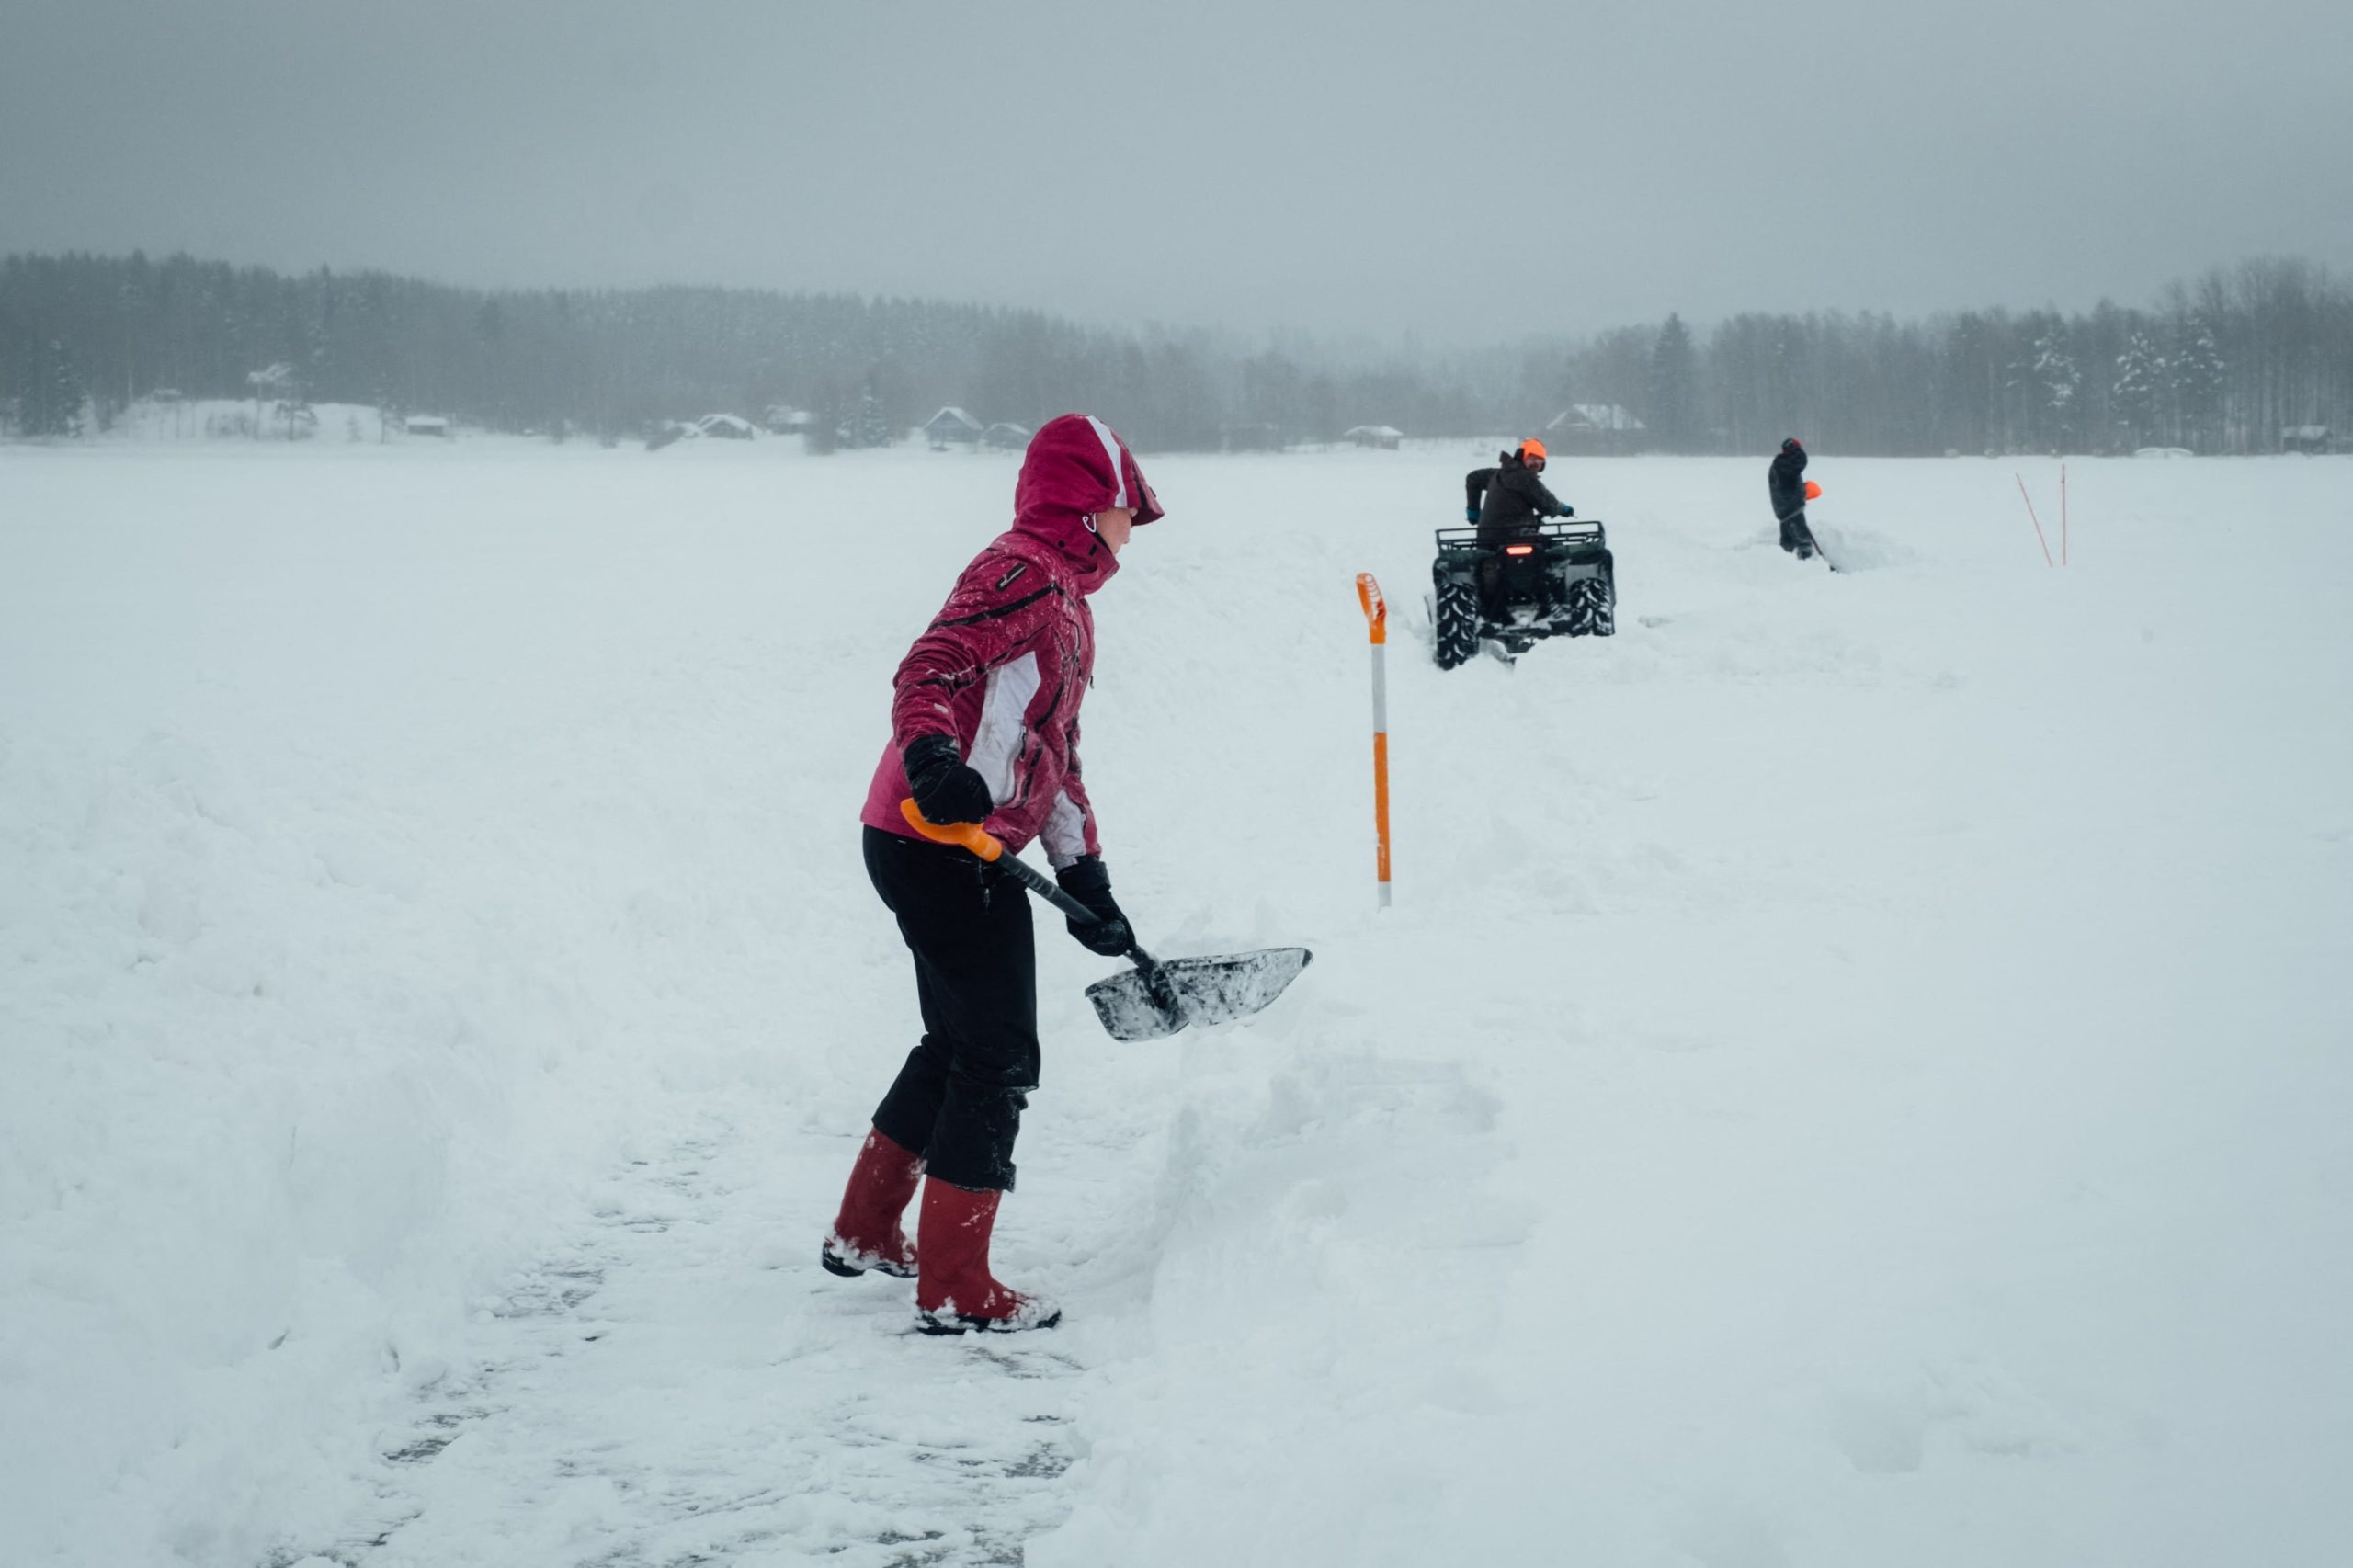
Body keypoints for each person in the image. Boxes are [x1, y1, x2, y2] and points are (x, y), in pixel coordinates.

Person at [824, 413, 1162, 1335]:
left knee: (958, 1040)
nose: (1134, 528)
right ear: (1093, 504)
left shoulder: (1068, 602)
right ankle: (955, 1285)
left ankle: (865, 1228)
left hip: (954, 846)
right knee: (995, 1055)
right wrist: (935, 759)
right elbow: (928, 666)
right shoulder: (1017, 569)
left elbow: (1055, 753)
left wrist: (1085, 876)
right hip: (933, 837)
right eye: (1127, 508)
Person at [1465, 437, 1573, 547]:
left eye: (1540, 460)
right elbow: (1548, 505)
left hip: (1485, 539)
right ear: (1521, 457)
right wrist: (1563, 509)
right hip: (1517, 537)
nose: (1536, 463)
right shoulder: (1527, 479)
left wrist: (1473, 510)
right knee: (1556, 549)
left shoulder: (1497, 474)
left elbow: (1473, 478)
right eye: (1532, 458)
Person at [1768, 437, 1819, 559]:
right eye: (1797, 447)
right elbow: (1800, 462)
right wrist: (1796, 450)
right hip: (1792, 511)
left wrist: (1802, 490)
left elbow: (1787, 484)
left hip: (1786, 511)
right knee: (1804, 543)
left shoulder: (1781, 465)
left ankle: (1786, 569)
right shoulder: (1783, 463)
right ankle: (1807, 569)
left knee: (1787, 545)